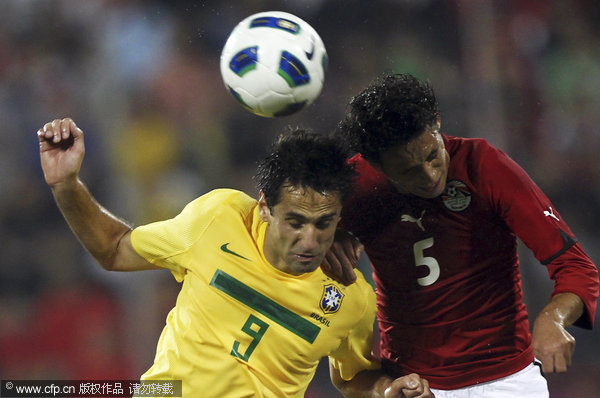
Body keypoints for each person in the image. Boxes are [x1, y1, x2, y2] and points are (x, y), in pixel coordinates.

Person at [37, 118, 434, 398]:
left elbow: (354, 379)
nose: (309, 240)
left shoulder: (352, 298)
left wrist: (385, 390)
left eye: (323, 223)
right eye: (295, 222)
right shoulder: (218, 218)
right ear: (264, 207)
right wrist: (66, 185)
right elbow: (114, 249)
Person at [323, 73, 600, 397]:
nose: (430, 176)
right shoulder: (356, 188)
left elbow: (576, 266)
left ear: (437, 124)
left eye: (432, 155)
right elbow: (286, 218)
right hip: (412, 385)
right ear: (375, 164)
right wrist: (328, 234)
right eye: (410, 171)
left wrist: (553, 318)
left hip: (509, 380)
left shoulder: (485, 167)